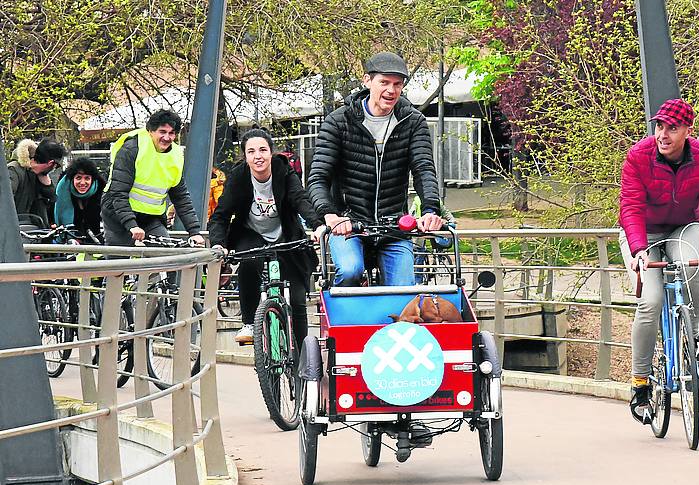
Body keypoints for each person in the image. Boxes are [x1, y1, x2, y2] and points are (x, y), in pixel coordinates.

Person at [618, 98, 699, 423]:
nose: (663, 134)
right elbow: (631, 207)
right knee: (650, 301)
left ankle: (692, 339)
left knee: (691, 263)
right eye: (659, 126)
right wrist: (638, 249)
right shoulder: (639, 156)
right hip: (643, 232)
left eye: (672, 128)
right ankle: (639, 384)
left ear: (688, 131)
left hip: (683, 227)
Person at [307, 51, 443, 286]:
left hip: (393, 225)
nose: (391, 90)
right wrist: (330, 215)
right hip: (349, 223)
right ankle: (342, 315)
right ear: (367, 81)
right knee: (350, 271)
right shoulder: (339, 122)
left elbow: (424, 169)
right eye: (384, 82)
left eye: (397, 84)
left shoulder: (413, 121)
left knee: (404, 289)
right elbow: (318, 177)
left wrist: (430, 209)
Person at [208, 129, 325, 344]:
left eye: (262, 150)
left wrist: (317, 225)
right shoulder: (239, 177)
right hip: (251, 234)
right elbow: (221, 215)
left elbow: (300, 199)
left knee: (298, 299)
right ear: (245, 156)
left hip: (285, 234)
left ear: (271, 152)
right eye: (251, 151)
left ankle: (301, 357)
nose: (258, 156)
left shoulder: (284, 172)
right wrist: (218, 244)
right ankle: (250, 324)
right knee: (249, 261)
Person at [101, 109, 204, 247]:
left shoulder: (176, 156)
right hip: (118, 214)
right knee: (119, 261)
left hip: (150, 217)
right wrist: (131, 225)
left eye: (171, 133)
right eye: (162, 132)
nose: (167, 138)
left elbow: (181, 197)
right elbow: (118, 193)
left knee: (165, 256)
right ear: (150, 131)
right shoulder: (131, 149)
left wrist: (194, 232)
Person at [9, 138, 67, 227]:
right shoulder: (14, 171)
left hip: (37, 232)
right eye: (56, 166)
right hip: (14, 231)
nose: (54, 169)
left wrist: (47, 185)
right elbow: (5, 201)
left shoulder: (39, 176)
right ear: (51, 163)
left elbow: (52, 203)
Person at [53, 157, 105, 242]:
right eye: (78, 178)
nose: (82, 182)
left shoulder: (102, 194)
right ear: (72, 178)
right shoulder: (62, 191)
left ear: (92, 180)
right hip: (68, 242)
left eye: (87, 178)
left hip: (97, 242)